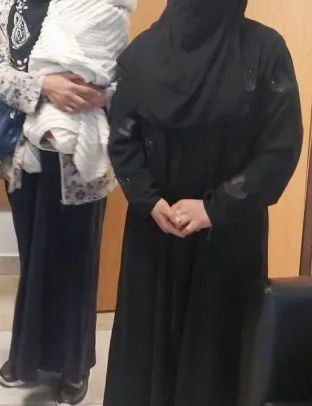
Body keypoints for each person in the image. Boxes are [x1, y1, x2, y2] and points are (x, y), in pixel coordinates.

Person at [103, 1, 303, 405]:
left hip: (228, 234)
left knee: (215, 355)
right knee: (147, 352)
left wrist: (215, 208)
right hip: (155, 231)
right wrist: (148, 199)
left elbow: (280, 146)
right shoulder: (143, 53)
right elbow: (123, 136)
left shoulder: (263, 50)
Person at [0, 0, 117, 404]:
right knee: (34, 261)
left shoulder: (96, 4)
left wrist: (102, 95)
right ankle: (26, 358)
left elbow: (125, 68)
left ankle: (74, 366)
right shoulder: (3, 6)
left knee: (78, 266)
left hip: (83, 162)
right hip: (25, 157)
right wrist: (45, 85)